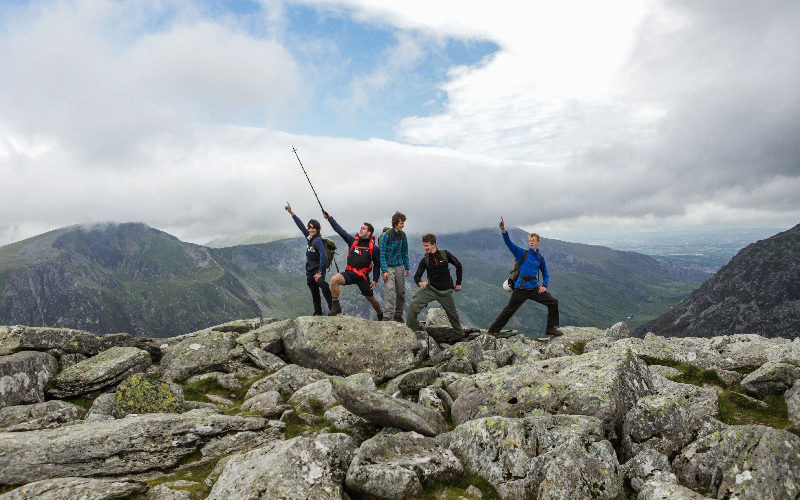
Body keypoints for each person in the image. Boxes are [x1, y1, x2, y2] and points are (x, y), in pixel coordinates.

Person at [488, 217, 562, 336]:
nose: (531, 242)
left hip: (533, 289)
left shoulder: (540, 258)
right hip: (520, 288)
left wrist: (545, 285)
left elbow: (546, 273)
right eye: (530, 240)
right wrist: (503, 229)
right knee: (509, 310)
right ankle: (492, 331)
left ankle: (550, 329)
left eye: (533, 240)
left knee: (553, 302)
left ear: (538, 242)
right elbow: (509, 243)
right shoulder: (521, 252)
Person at [322, 210, 383, 319]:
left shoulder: (373, 248)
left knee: (371, 299)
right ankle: (336, 306)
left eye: (364, 228)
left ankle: (379, 313)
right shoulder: (352, 241)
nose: (361, 229)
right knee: (334, 280)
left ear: (369, 233)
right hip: (349, 273)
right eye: (361, 227)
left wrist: (375, 279)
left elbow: (377, 264)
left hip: (362, 277)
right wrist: (329, 218)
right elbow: (339, 230)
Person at [406, 233, 464, 333]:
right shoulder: (425, 259)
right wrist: (420, 283)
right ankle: (413, 328)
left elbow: (458, 265)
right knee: (414, 304)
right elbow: (417, 276)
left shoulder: (444, 254)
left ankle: (460, 335)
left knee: (453, 315)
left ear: (434, 244)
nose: (425, 248)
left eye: (427, 245)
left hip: (446, 292)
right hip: (431, 289)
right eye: (424, 245)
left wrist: (458, 283)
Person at [285, 203, 332, 316]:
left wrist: (320, 272)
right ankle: (318, 312)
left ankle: (333, 306)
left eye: (313, 228)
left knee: (321, 282)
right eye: (309, 227)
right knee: (314, 291)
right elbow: (300, 225)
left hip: (317, 268)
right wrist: (291, 213)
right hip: (310, 269)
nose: (311, 229)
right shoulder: (309, 237)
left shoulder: (318, 240)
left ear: (317, 229)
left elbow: (324, 256)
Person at [379, 211, 410, 322]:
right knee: (390, 291)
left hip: (399, 266)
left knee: (401, 292)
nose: (403, 225)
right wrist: (384, 270)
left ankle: (398, 315)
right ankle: (387, 317)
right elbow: (381, 254)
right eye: (401, 223)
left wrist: (407, 267)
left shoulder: (403, 235)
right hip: (388, 267)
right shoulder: (387, 235)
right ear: (396, 223)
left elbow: (404, 251)